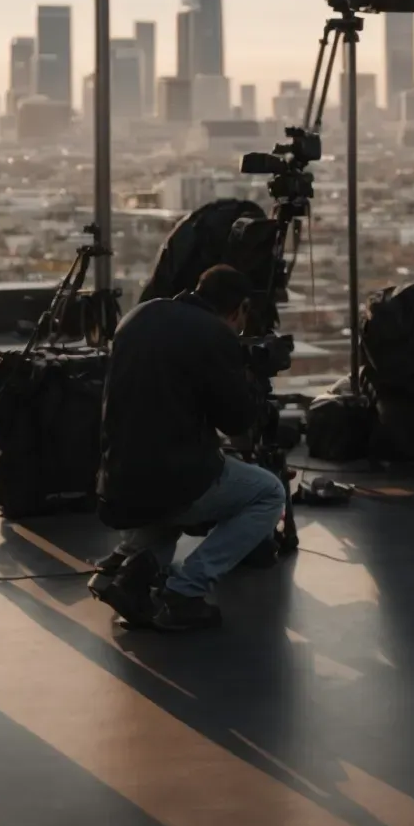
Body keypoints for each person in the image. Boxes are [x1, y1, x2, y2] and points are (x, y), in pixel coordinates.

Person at [90, 265, 288, 632]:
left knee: (171, 500)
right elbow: (236, 423)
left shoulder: (140, 314)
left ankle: (126, 575)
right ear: (241, 307)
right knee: (267, 492)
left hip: (115, 478)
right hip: (172, 481)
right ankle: (185, 591)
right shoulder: (214, 334)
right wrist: (251, 377)